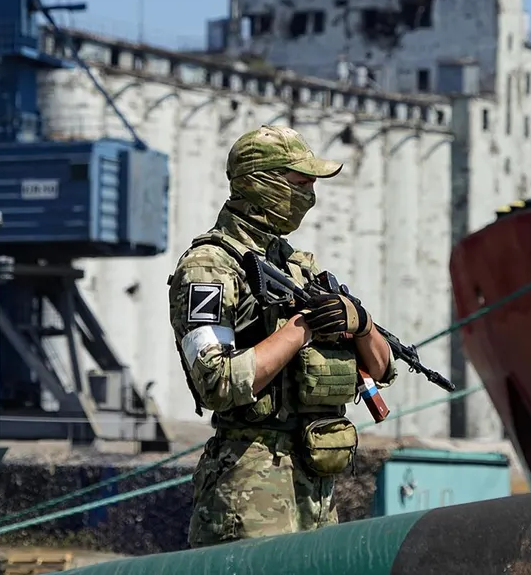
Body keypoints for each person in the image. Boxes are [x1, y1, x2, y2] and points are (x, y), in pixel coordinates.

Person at [166, 124, 396, 548]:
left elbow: (381, 370)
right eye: (300, 182)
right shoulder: (209, 269)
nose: (309, 195)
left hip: (315, 483)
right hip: (250, 488)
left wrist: (360, 322)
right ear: (260, 183)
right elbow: (216, 383)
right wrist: (302, 327)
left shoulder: (298, 268)